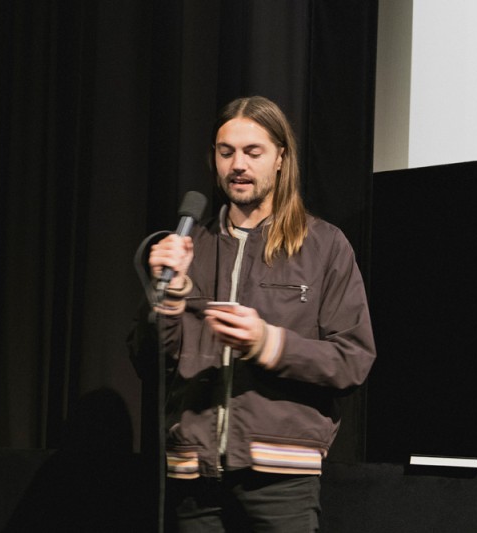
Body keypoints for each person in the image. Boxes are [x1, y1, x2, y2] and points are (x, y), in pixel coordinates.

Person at [129, 95, 376, 532]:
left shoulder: (323, 245)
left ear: (281, 157)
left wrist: (268, 343)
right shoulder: (192, 248)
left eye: (252, 152)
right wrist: (167, 299)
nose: (237, 164)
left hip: (281, 478)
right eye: (226, 152)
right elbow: (150, 361)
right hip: (194, 474)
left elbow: (353, 360)